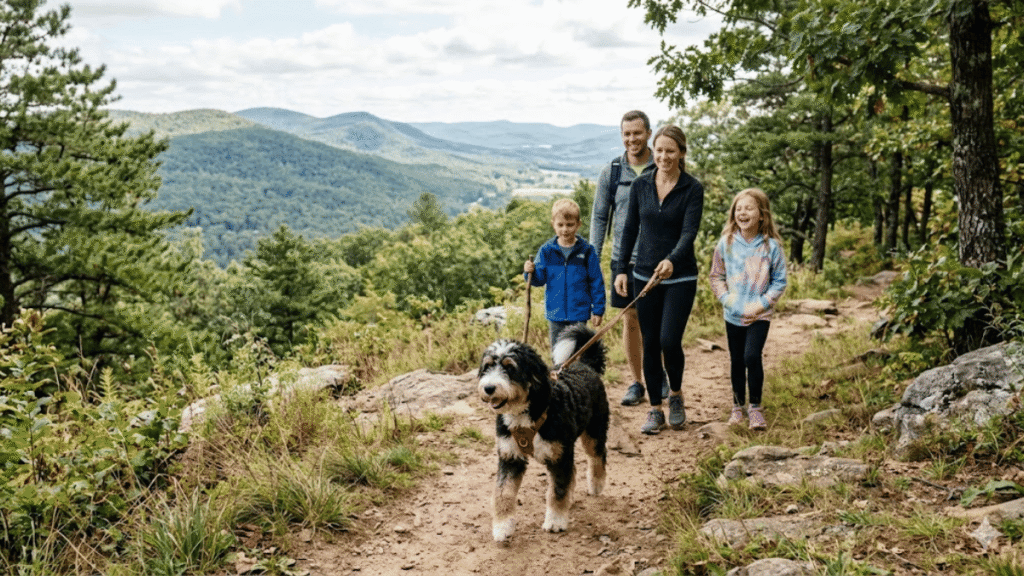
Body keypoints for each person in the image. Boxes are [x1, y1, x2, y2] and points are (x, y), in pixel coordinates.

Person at [613, 125, 704, 434]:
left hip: (680, 277)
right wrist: (621, 269)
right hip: (643, 274)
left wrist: (672, 260)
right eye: (660, 150)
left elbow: (689, 233)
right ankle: (654, 409)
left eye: (671, 151)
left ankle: (676, 395)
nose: (664, 156)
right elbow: (628, 230)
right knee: (650, 343)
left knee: (669, 340)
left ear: (682, 153)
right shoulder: (641, 186)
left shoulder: (692, 189)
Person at [590, 110, 667, 406]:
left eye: (637, 133)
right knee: (630, 320)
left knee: (657, 323)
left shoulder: (661, 165)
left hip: (656, 260)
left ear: (649, 133)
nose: (632, 139)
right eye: (626, 134)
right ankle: (637, 382)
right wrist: (593, 259)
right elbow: (599, 217)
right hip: (623, 261)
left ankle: (657, 377)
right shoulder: (611, 171)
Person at [709, 188, 788, 430]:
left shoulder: (771, 247)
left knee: (751, 357)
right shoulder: (726, 244)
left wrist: (761, 304)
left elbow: (780, 281)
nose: (742, 212)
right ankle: (737, 407)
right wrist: (728, 300)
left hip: (759, 315)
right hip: (733, 314)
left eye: (749, 208)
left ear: (762, 215)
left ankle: (755, 408)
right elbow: (716, 277)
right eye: (738, 209)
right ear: (734, 214)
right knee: (736, 360)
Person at [525, 198, 605, 353]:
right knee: (558, 353)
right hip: (556, 314)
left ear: (578, 224)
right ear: (553, 224)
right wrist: (530, 271)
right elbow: (538, 280)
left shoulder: (587, 251)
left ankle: (577, 376)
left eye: (570, 225)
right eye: (560, 225)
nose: (565, 229)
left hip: (579, 313)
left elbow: (596, 281)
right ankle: (559, 376)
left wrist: (598, 310)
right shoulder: (546, 251)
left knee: (577, 352)